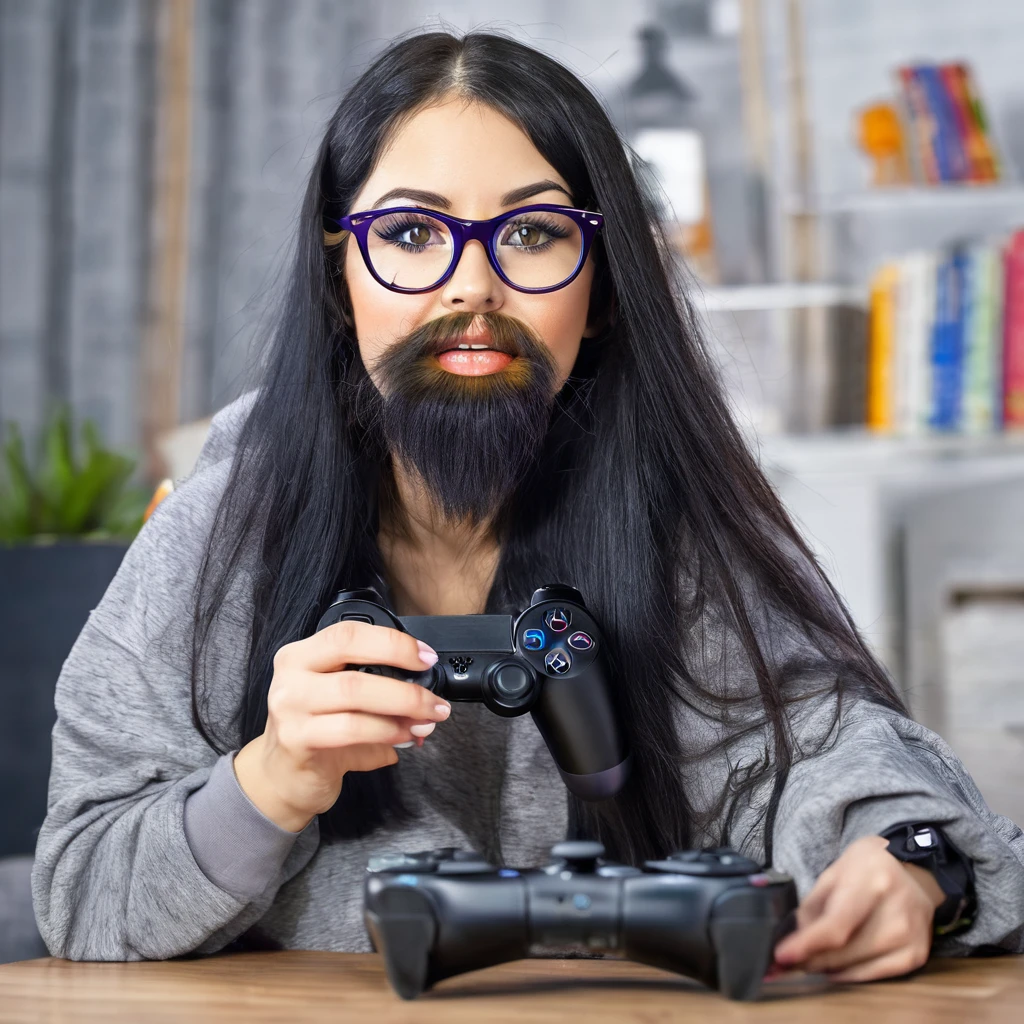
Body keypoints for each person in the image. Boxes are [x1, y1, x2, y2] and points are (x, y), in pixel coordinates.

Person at [32, 29, 1024, 983]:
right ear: (340, 274)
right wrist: (274, 778)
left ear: (597, 286)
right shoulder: (223, 526)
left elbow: (842, 756)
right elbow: (79, 895)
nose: (473, 285)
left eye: (534, 232)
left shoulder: (677, 509)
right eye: (411, 233)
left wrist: (907, 863)